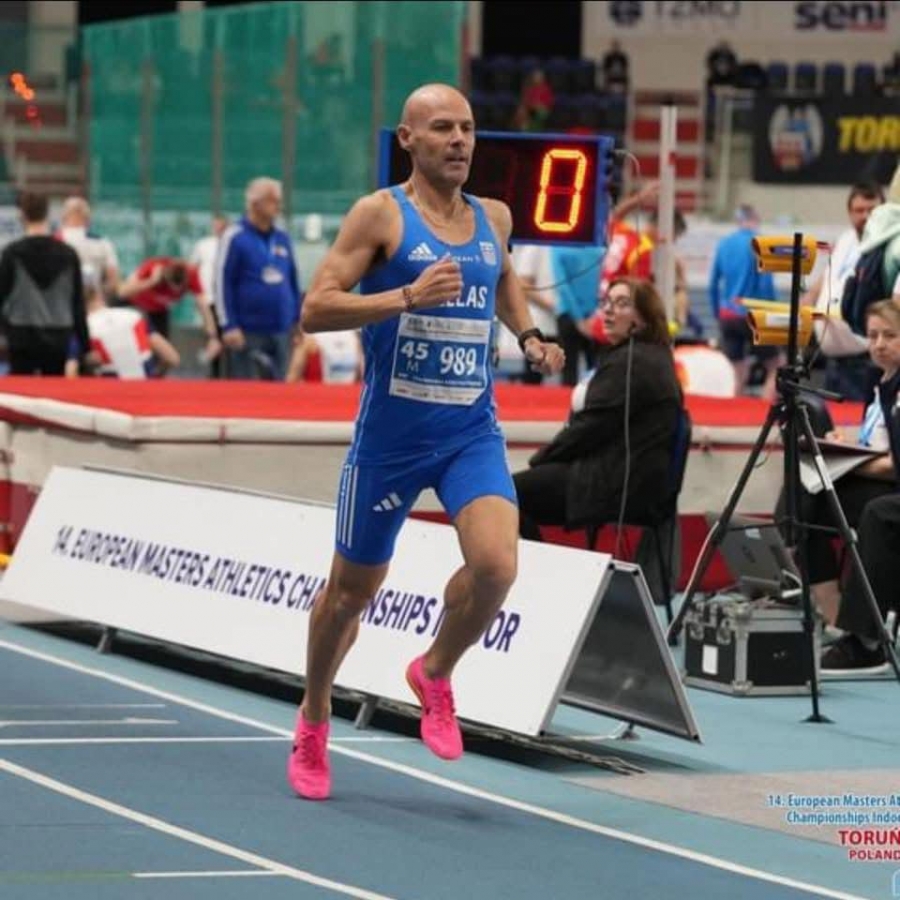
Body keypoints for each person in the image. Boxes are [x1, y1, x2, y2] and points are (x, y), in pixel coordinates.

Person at [286, 83, 565, 801]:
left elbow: (502, 279)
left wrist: (530, 335)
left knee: (497, 566)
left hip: (470, 431)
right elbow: (315, 309)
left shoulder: (494, 216)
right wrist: (406, 296)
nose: (459, 140)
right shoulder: (380, 215)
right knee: (348, 596)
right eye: (442, 128)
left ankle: (434, 670)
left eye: (467, 127)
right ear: (407, 139)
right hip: (390, 441)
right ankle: (314, 715)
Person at [513, 278, 682, 544]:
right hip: (627, 475)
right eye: (606, 302)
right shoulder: (645, 355)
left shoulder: (633, 362)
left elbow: (589, 428)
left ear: (645, 317)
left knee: (504, 497)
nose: (609, 310)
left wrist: (541, 460)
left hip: (617, 483)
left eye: (622, 304)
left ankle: (535, 567)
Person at [782, 299, 900, 628]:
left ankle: (852, 628)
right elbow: (877, 442)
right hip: (875, 478)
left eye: (890, 335)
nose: (879, 344)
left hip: (888, 485)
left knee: (812, 500)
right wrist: (847, 445)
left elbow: (894, 463)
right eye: (873, 336)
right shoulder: (880, 385)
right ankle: (830, 611)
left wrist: (848, 463)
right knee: (805, 499)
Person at [802, 182, 885, 401]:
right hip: (834, 358)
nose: (865, 216)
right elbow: (829, 275)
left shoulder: (888, 247)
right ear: (850, 213)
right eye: (859, 210)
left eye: (872, 210)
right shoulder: (846, 239)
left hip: (865, 359)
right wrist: (810, 297)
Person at [214, 178, 302, 381]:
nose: (279, 205)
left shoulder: (282, 238)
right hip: (247, 332)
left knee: (280, 392)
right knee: (248, 393)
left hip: (281, 330)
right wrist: (229, 325)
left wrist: (297, 321)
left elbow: (292, 280)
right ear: (255, 203)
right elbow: (222, 283)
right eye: (273, 200)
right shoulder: (234, 236)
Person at [0, 191, 90, 375]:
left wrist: (5, 330)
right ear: (47, 214)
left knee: (21, 389)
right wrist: (85, 344)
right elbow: (77, 302)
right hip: (58, 333)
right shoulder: (68, 254)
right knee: (53, 388)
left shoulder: (12, 253)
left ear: (22, 216)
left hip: (21, 333)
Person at [708, 204, 782, 400]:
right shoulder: (760, 244)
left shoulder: (723, 244)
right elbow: (766, 285)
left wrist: (718, 313)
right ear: (755, 220)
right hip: (753, 314)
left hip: (727, 315)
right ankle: (764, 410)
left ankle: (734, 410)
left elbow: (713, 284)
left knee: (737, 372)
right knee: (776, 366)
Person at [57, 196, 121, 301]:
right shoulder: (102, 243)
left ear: (63, 217)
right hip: (93, 303)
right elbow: (113, 282)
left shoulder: (53, 242)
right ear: (88, 219)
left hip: (62, 303)